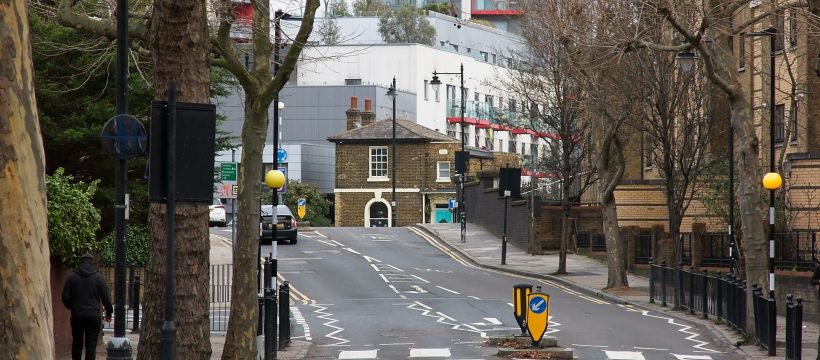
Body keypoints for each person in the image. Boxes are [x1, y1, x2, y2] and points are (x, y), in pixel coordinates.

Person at [62, 254, 113, 360]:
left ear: (80, 263)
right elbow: (106, 299)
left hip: (77, 315)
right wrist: (109, 313)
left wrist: (72, 307)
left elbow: (65, 297)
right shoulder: (98, 278)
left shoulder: (71, 278)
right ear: (92, 263)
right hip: (93, 316)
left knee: (77, 343)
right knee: (91, 345)